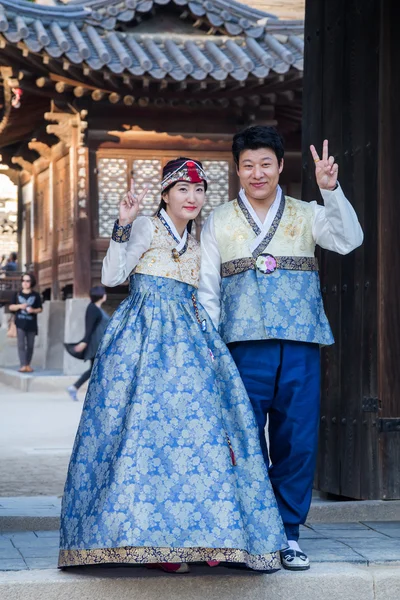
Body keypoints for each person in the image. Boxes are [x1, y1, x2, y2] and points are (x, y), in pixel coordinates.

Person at [58, 157, 286, 573]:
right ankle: (154, 542)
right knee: (144, 434)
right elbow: (112, 277)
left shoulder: (199, 242)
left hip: (192, 341)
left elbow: (207, 297)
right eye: (183, 189)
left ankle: (203, 534)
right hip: (143, 340)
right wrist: (123, 224)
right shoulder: (147, 226)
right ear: (166, 193)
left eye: (199, 190)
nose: (193, 197)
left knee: (199, 435)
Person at [198, 127, 364, 571]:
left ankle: (288, 534)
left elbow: (349, 240)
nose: (257, 173)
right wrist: (210, 347)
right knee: (244, 441)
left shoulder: (308, 213)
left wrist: (331, 190)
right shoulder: (218, 220)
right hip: (241, 346)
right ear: (237, 169)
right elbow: (208, 291)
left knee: (297, 440)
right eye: (248, 165)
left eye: (265, 164)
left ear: (280, 167)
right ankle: (252, 531)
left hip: (300, 342)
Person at [66, 286, 110, 401]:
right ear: (101, 296)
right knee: (97, 369)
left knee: (97, 369)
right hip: (96, 344)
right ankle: (75, 387)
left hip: (101, 343)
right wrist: (84, 342)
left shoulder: (97, 308)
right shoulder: (92, 309)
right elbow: (89, 328)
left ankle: (76, 388)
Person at [9, 272, 43, 373]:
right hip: (19, 323)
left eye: (27, 281)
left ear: (31, 282)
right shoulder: (17, 294)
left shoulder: (36, 295)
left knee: (31, 345)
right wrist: (20, 306)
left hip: (31, 323)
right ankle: (23, 364)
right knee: (21, 344)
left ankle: (28, 364)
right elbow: (11, 307)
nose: (25, 283)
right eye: (23, 281)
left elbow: (40, 309)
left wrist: (33, 310)